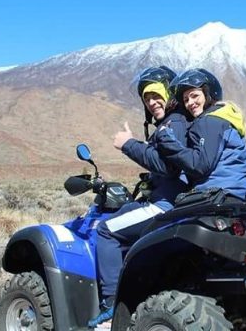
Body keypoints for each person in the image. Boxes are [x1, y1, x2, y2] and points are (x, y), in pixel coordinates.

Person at [88, 66, 189, 328]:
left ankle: (110, 306)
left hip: (165, 206)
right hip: (164, 199)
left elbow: (169, 166)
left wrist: (128, 144)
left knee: (106, 231)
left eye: (157, 95)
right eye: (147, 98)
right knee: (123, 213)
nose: (153, 102)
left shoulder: (174, 123)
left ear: (170, 93)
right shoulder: (174, 122)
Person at [156, 68, 246, 203]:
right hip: (239, 196)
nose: (189, 103)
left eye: (194, 96)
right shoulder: (227, 117)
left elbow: (199, 165)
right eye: (186, 100)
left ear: (208, 94)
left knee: (168, 221)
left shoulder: (210, 121)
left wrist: (165, 139)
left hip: (217, 196)